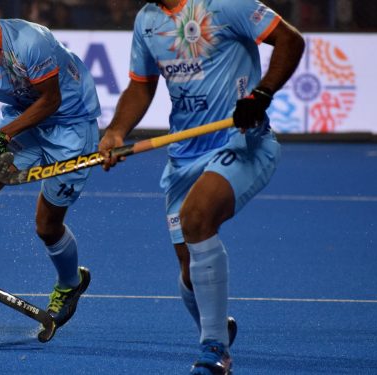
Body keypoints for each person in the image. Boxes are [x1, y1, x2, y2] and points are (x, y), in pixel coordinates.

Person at [98, 1, 304, 373]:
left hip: (241, 141)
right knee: (187, 266)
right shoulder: (146, 20)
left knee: (196, 218)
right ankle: (218, 326)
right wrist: (115, 131)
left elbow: (291, 41)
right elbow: (141, 86)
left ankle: (215, 349)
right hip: (183, 155)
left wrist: (261, 95)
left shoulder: (225, 4)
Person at [0, 0, 101, 333]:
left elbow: (51, 100)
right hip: (23, 121)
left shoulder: (30, 41)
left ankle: (70, 283)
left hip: (71, 126)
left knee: (46, 225)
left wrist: (6, 132)